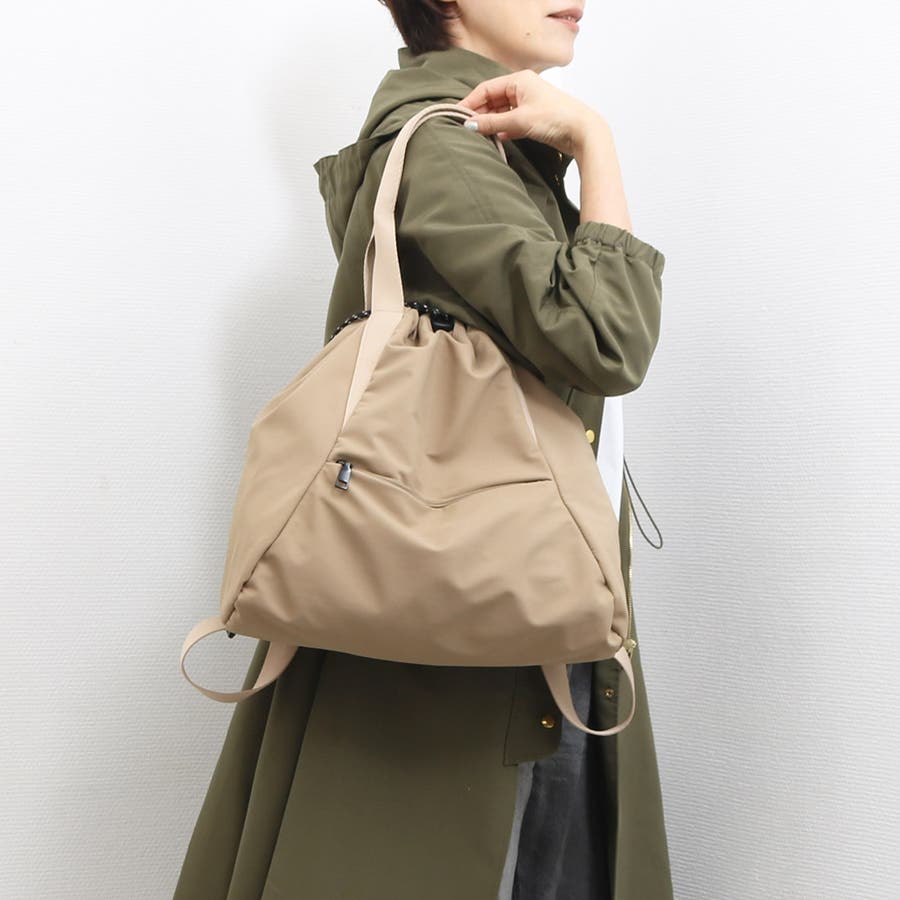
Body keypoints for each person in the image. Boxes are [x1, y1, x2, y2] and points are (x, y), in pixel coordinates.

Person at [173, 2, 673, 898]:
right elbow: (607, 338)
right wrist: (595, 141)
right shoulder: (447, 151)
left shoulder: (492, 153)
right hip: (478, 659)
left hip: (501, 631)